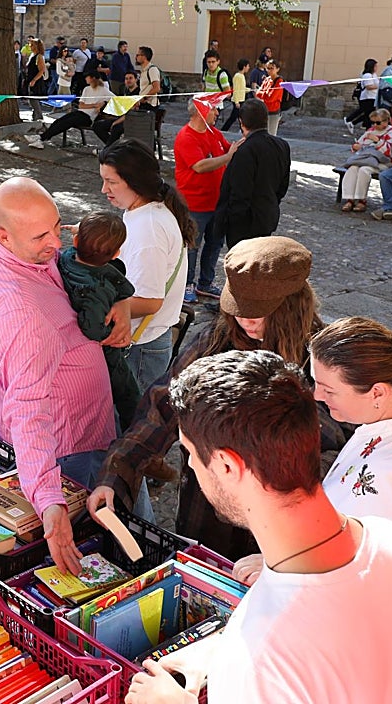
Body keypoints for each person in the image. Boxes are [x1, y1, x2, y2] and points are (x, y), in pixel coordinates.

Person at [123, 349, 392, 704]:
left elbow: (286, 657)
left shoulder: (260, 662)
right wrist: (220, 649)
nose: (190, 465)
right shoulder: (390, 536)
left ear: (226, 465)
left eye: (190, 453)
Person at [88, 236, 332, 559]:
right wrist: (116, 474)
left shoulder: (323, 361)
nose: (246, 321)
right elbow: (162, 408)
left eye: (259, 312)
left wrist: (294, 545)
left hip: (281, 534)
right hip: (206, 517)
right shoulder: (215, 340)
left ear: (292, 305)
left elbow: (335, 459)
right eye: (239, 308)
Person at [0, 177, 130, 573]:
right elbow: (28, 409)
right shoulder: (21, 314)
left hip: (77, 428)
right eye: (42, 236)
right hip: (70, 445)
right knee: (113, 537)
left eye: (57, 226)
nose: (57, 244)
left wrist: (120, 299)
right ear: (3, 235)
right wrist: (50, 501)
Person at [230, 316, 392, 588]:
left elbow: (373, 568)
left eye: (329, 390)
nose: (317, 396)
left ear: (377, 393)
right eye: (316, 383)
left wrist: (281, 567)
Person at [98, 142, 195, 397]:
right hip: (146, 341)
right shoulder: (143, 210)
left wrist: (102, 308)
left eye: (111, 182)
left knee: (131, 425)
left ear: (135, 181)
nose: (104, 190)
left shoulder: (148, 226)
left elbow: (150, 302)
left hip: (142, 346)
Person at [58, 212, 140, 429]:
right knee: (129, 395)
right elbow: (92, 327)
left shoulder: (66, 258)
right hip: (107, 354)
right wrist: (108, 336)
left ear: (76, 241)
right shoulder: (98, 288)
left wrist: (81, 233)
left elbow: (80, 246)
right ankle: (132, 433)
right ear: (116, 254)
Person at [173, 98, 238, 303]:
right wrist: (227, 158)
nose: (218, 114)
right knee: (191, 246)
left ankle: (206, 283)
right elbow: (200, 166)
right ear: (201, 112)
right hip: (194, 204)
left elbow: (231, 149)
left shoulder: (213, 133)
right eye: (214, 110)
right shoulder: (186, 137)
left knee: (214, 244)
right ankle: (186, 283)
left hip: (217, 202)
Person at [213, 97, 291, 248]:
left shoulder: (245, 151)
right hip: (266, 215)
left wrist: (231, 222)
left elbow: (239, 192)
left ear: (242, 123)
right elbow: (283, 186)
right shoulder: (282, 146)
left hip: (245, 224)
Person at [338, 107, 392, 213]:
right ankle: (350, 199)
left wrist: (378, 141)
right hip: (365, 159)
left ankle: (361, 200)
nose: (374, 125)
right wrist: (356, 146)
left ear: (386, 121)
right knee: (353, 168)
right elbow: (359, 144)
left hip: (381, 162)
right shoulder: (370, 131)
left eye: (377, 123)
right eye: (372, 122)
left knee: (364, 170)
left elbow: (390, 152)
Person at [39, 67, 112, 143]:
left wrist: (104, 103)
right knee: (59, 121)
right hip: (80, 112)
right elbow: (81, 105)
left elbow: (115, 99)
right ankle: (43, 136)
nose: (86, 79)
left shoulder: (104, 90)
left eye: (87, 77)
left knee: (66, 123)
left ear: (92, 78)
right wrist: (94, 105)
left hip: (89, 117)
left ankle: (42, 138)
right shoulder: (86, 89)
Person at [344, 58, 380, 129]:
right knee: (367, 113)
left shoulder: (374, 75)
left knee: (368, 114)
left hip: (373, 97)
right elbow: (368, 86)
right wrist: (379, 86)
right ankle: (351, 121)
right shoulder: (367, 75)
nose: (376, 68)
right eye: (375, 66)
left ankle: (353, 123)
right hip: (367, 97)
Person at [20, 38, 48, 120]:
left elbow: (42, 70)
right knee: (31, 100)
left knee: (34, 100)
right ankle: (35, 118)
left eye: (32, 45)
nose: (30, 46)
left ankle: (39, 118)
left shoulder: (39, 57)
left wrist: (34, 80)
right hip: (30, 80)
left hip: (36, 82)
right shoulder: (32, 55)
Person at [219, 58, 251, 132]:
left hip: (241, 99)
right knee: (235, 117)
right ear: (244, 66)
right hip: (238, 100)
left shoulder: (242, 76)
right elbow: (236, 89)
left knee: (239, 117)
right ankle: (224, 130)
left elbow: (242, 88)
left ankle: (242, 130)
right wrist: (236, 101)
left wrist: (250, 90)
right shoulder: (238, 76)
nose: (248, 68)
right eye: (248, 66)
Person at [256, 59, 286, 135]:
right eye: (268, 68)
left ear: (277, 69)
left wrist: (263, 93)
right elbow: (257, 93)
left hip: (273, 112)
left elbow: (271, 98)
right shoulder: (267, 79)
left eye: (272, 68)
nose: (269, 70)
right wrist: (265, 93)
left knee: (271, 134)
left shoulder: (279, 82)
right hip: (264, 111)